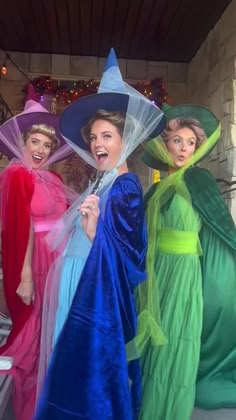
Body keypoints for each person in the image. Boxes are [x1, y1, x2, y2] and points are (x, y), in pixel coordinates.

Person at [35, 48, 165, 420]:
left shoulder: (125, 186)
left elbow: (131, 260)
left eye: (107, 135)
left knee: (84, 375)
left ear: (126, 138)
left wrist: (95, 234)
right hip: (78, 276)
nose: (96, 144)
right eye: (93, 137)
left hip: (93, 288)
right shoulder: (102, 177)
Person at [137, 104, 236, 420]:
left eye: (191, 142)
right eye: (177, 140)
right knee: (157, 339)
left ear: (198, 147)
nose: (183, 148)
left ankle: (171, 408)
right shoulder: (155, 189)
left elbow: (221, 228)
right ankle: (151, 398)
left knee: (177, 337)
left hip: (184, 273)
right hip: (156, 274)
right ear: (165, 144)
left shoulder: (199, 180)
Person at [0, 90, 75, 420]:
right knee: (33, 334)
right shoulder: (16, 176)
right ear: (22, 143)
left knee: (55, 329)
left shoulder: (55, 178)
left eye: (47, 145)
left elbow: (67, 218)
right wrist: (25, 275)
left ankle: (53, 395)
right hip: (36, 263)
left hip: (60, 259)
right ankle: (32, 406)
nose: (42, 150)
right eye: (35, 143)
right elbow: (20, 229)